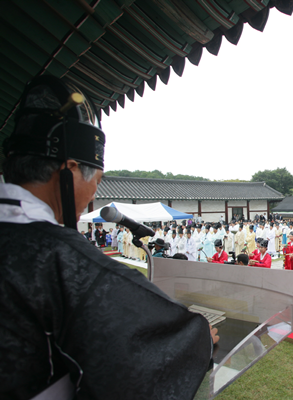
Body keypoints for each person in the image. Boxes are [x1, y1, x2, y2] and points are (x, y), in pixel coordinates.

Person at [0, 75, 217, 399]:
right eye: (96, 180)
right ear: (69, 169)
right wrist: (200, 338)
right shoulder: (60, 258)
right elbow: (135, 356)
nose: (93, 193)